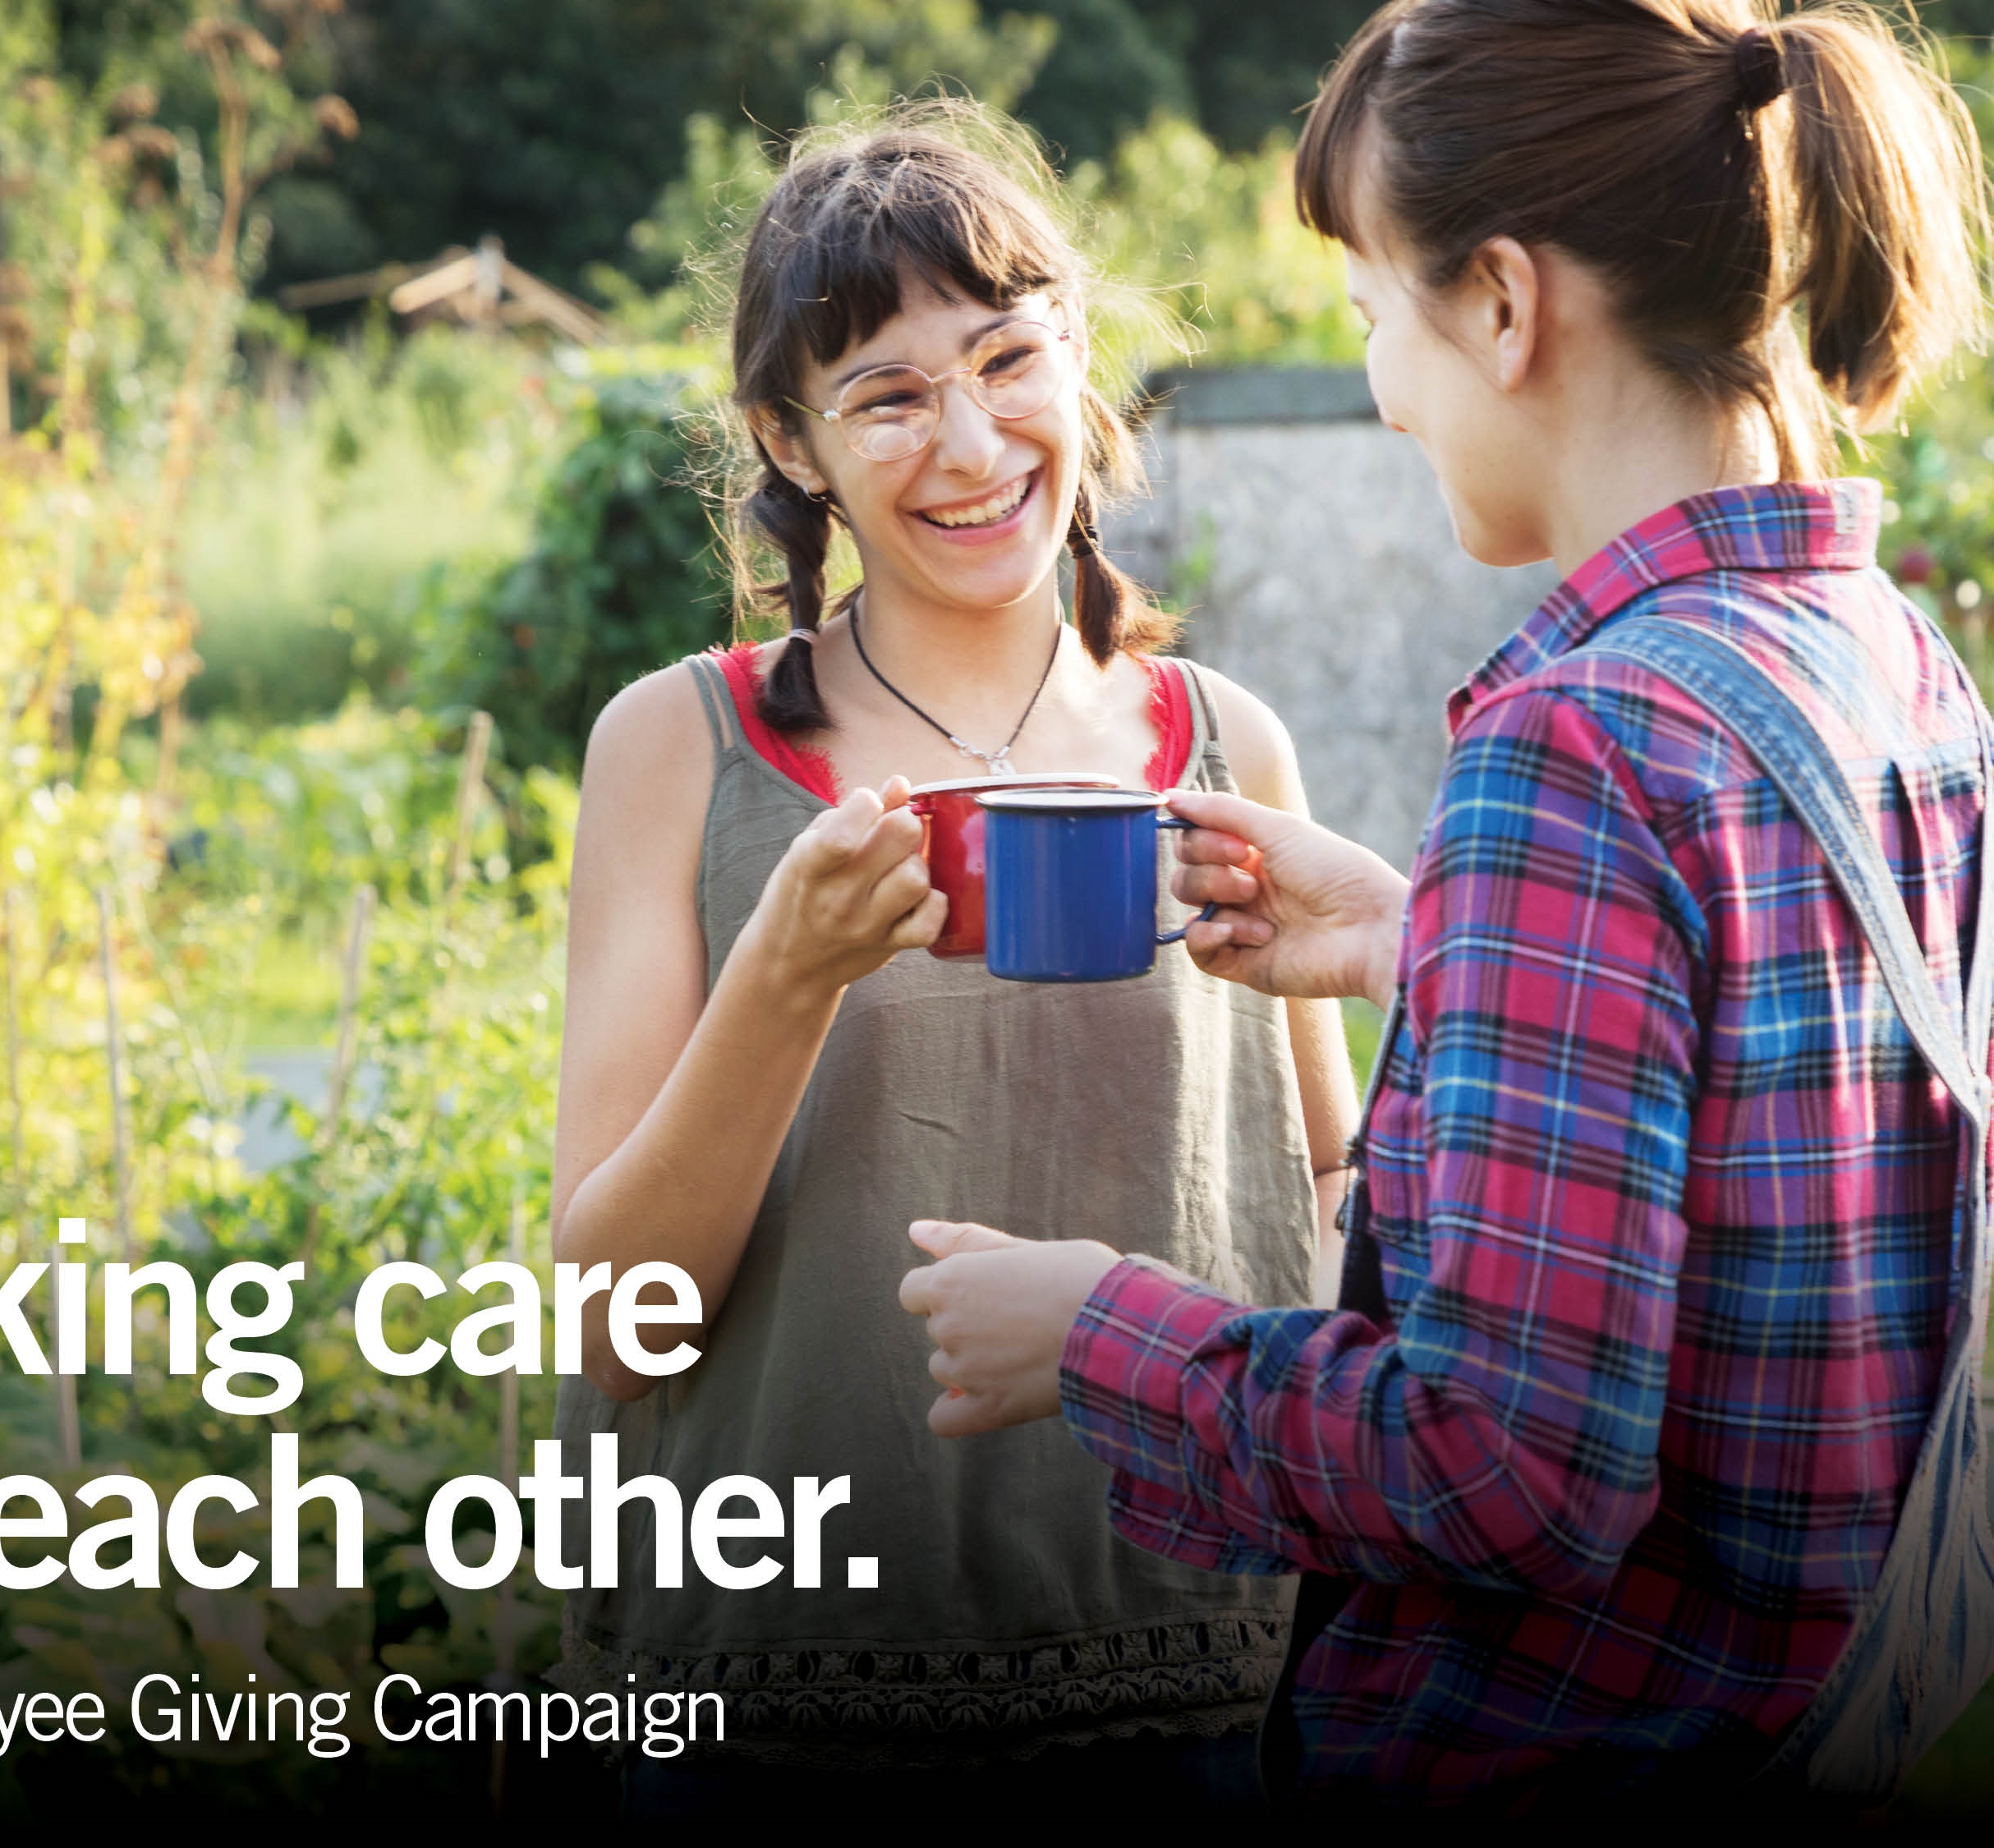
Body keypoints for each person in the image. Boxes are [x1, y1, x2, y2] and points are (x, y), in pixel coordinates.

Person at [902, 0, 1994, 1809]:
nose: (1382, 385)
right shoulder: (1898, 676)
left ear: (1500, 303)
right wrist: (1438, 941)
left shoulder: (1580, 747)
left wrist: (1098, 1332)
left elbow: (1508, 1470)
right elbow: (1795, 1106)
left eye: (1372, 319)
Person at [549, 105, 1358, 1811]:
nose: (974, 442)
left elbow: (1343, 1216)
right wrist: (786, 977)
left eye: (1009, 360)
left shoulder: (1230, 749)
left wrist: (1413, 965)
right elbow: (619, 1326)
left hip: (1194, 1697)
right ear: (793, 441)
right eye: (890, 396)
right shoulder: (681, 750)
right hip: (768, 1718)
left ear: (1082, 369)